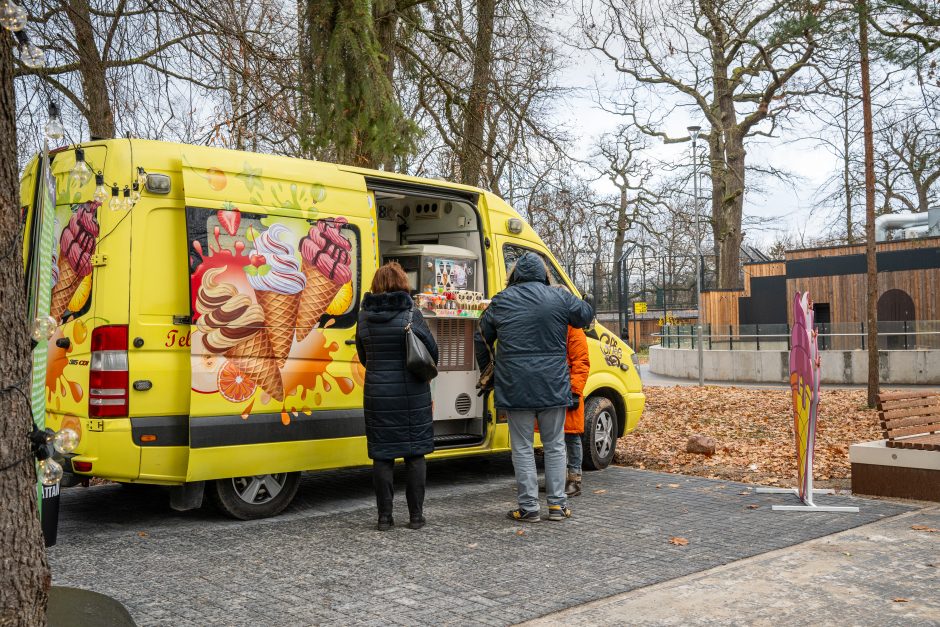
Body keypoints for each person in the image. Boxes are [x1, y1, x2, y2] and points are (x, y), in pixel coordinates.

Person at [475, 252, 594, 522]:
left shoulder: (502, 300)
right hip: (553, 384)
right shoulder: (559, 297)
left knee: (522, 448)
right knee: (554, 446)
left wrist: (489, 369)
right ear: (543, 274)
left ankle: (528, 508)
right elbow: (585, 316)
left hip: (515, 385)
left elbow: (480, 333)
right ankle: (557, 506)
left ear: (515, 274)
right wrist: (587, 300)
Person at [356, 262, 439, 531]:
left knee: (382, 456)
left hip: (378, 394)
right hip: (412, 393)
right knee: (415, 455)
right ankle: (415, 517)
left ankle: (384, 518)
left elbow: (364, 357)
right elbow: (431, 353)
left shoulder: (363, 317)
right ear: (403, 283)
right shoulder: (411, 315)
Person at [564, 326, 591, 497]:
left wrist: (574, 391)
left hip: (567, 389)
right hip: (559, 387)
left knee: (571, 436)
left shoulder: (573, 329)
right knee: (554, 438)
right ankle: (559, 480)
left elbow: (581, 363)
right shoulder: (567, 327)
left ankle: (574, 480)